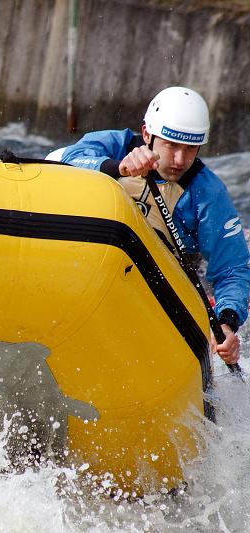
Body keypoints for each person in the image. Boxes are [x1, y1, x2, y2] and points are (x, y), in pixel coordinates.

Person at [49, 86, 250, 366]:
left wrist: (227, 323)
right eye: (171, 145)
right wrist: (118, 167)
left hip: (163, 284)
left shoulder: (207, 193)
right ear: (147, 134)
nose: (180, 160)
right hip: (93, 271)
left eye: (190, 148)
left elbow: (232, 269)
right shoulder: (114, 144)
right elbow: (66, 161)